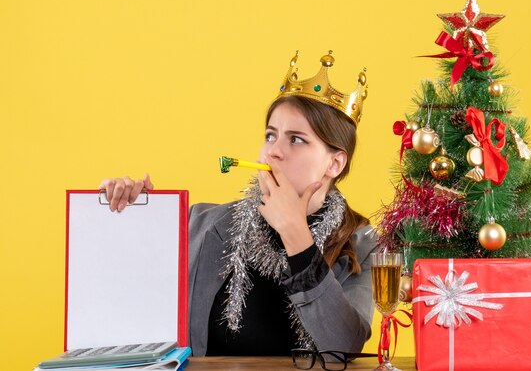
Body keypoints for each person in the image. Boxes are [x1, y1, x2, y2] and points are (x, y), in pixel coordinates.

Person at [99, 51, 377, 357]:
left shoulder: (364, 245)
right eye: (271, 136)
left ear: (334, 163)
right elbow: (124, 296)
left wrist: (296, 234)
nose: (273, 152)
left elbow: (345, 347)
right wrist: (129, 213)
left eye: (296, 139)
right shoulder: (198, 224)